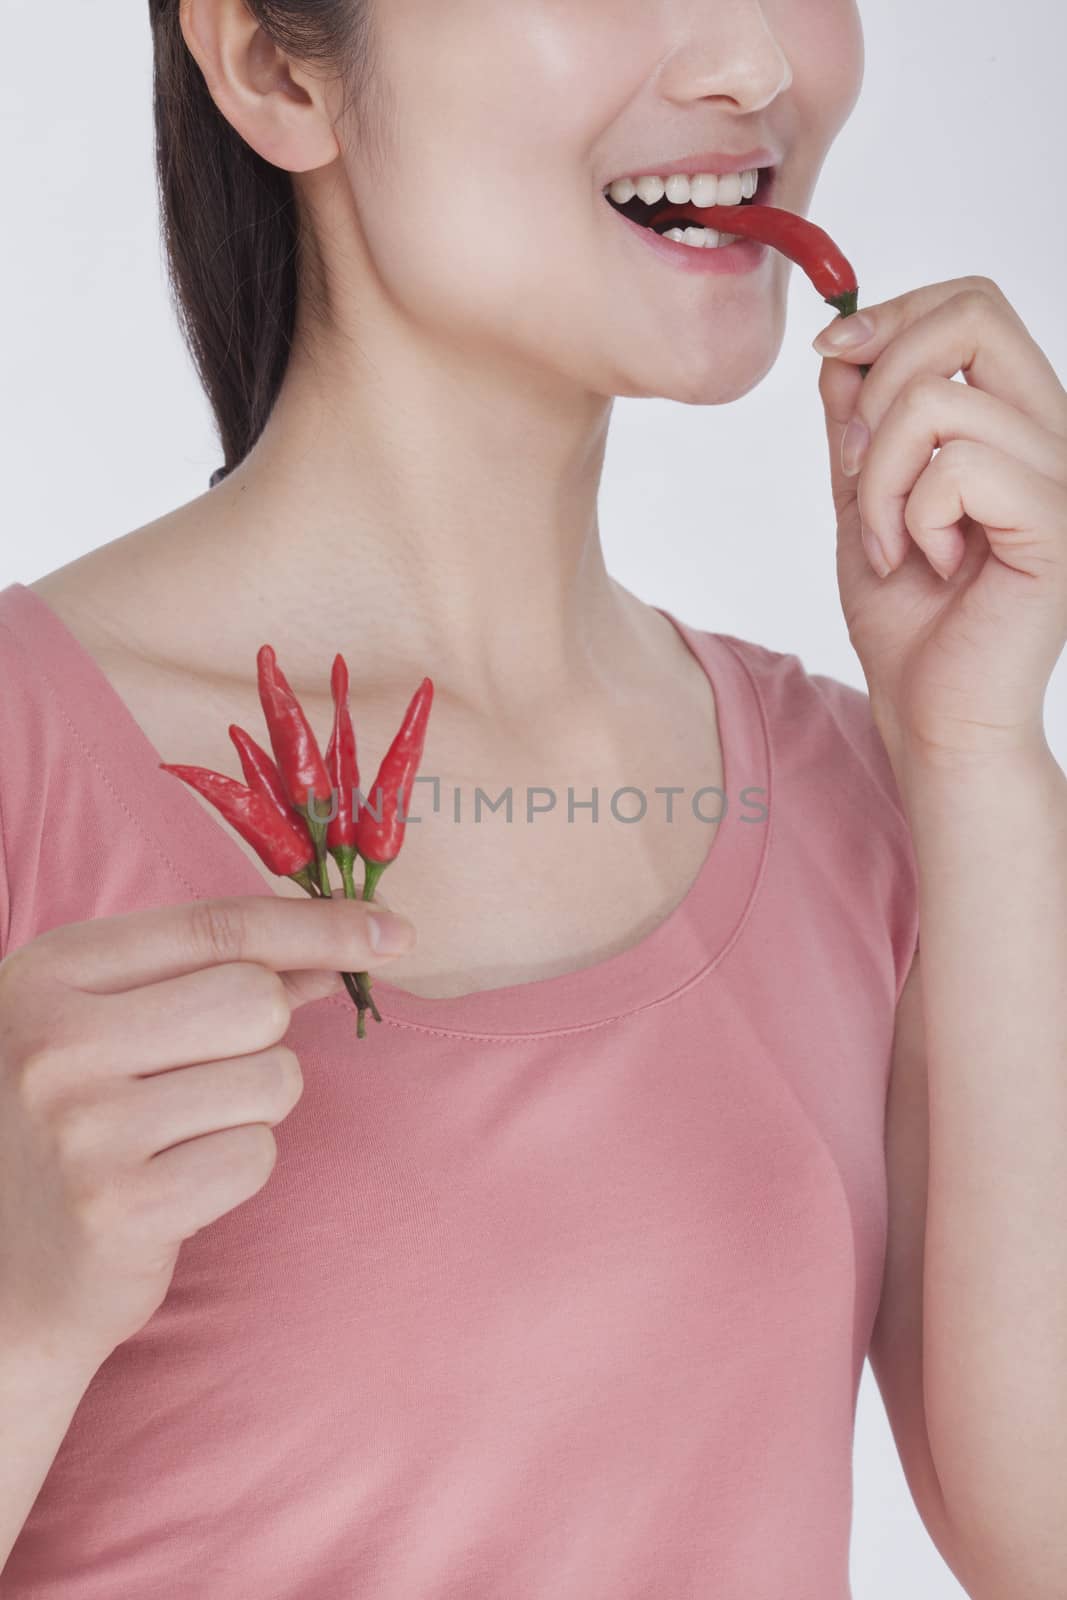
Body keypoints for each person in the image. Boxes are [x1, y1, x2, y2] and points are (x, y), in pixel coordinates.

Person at [2, 2, 1065, 1596]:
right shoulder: (26, 758)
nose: (752, 61)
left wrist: (984, 752)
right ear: (274, 64)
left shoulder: (876, 797)